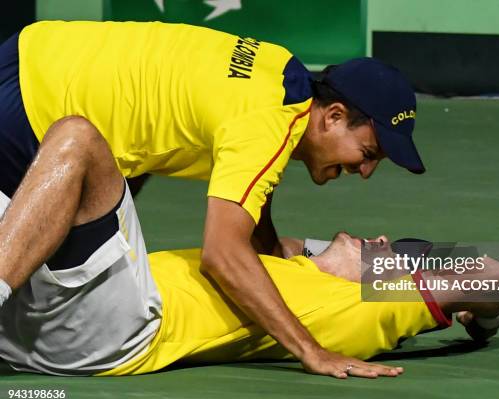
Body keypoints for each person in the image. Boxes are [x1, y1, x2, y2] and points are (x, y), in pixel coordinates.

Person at [0, 20, 425, 377]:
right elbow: (223, 254)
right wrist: (311, 351)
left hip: (32, 52)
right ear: (332, 117)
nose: (365, 171)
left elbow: (255, 231)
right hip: (37, 116)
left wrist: (309, 257)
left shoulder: (281, 76)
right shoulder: (268, 128)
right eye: (368, 154)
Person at [0, 231, 499, 377]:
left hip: (109, 318)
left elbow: (495, 276)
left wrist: (481, 317)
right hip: (60, 292)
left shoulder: (355, 309)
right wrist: (330, 252)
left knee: (79, 140)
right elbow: (288, 244)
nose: (380, 240)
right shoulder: (290, 267)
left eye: (393, 252)